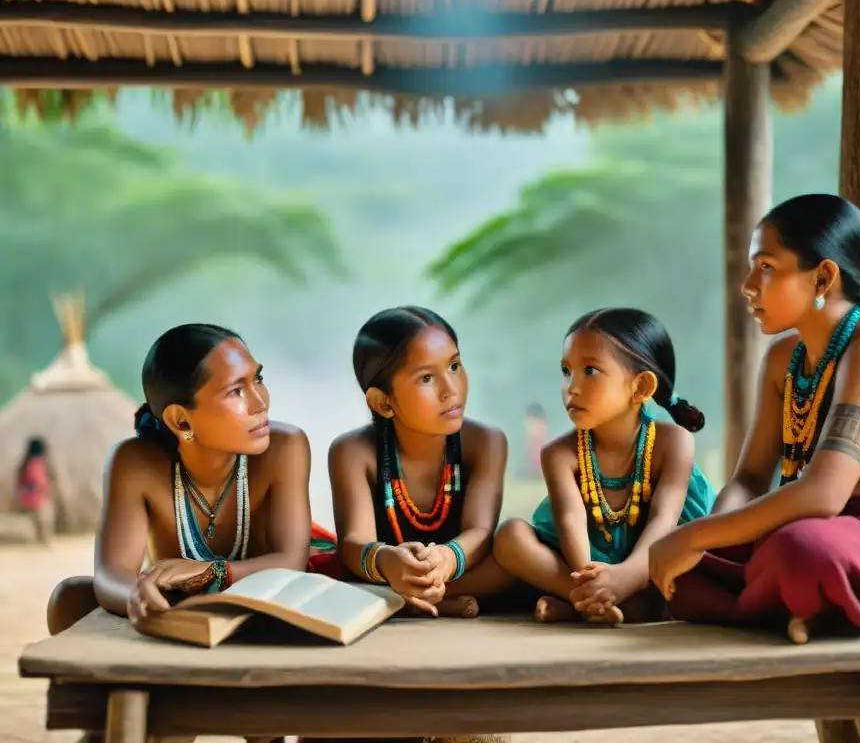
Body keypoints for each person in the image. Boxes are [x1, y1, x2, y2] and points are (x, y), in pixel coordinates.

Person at [650, 194, 860, 645]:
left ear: (823, 275)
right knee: (690, 570)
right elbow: (748, 478)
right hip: (823, 527)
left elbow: (823, 493)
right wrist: (705, 544)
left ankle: (799, 597)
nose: (747, 285)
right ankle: (807, 606)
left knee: (800, 551)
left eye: (765, 267)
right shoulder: (784, 358)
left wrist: (693, 538)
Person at [46, 324, 319, 743]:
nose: (261, 401)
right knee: (70, 597)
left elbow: (290, 562)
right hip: (177, 619)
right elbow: (111, 574)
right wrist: (139, 596)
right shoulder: (135, 462)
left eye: (258, 379)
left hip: (260, 617)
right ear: (180, 419)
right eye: (236, 391)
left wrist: (207, 574)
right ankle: (112, 724)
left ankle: (263, 730)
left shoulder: (285, 448)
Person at [493, 308, 715, 625]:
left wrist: (625, 577)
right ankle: (594, 601)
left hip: (653, 559)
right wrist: (592, 580)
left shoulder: (673, 443)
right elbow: (570, 522)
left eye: (590, 371)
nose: (572, 386)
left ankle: (599, 602)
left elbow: (663, 522)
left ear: (640, 388)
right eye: (566, 371)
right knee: (510, 536)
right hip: (583, 565)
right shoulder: (559, 454)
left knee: (697, 556)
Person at [321, 306, 514, 618]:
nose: (451, 389)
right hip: (388, 577)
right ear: (384, 402)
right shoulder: (353, 451)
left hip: (464, 572)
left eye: (454, 366)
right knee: (348, 576)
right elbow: (355, 542)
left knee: (514, 549)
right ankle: (416, 597)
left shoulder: (485, 441)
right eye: (427, 378)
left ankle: (423, 598)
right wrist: (387, 559)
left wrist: (446, 559)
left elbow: (479, 530)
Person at [13, 436, 52, 544]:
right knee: (45, 516)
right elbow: (37, 482)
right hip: (34, 499)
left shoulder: (25, 464)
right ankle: (43, 539)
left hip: (23, 498)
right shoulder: (37, 463)